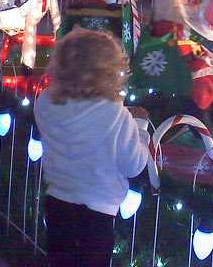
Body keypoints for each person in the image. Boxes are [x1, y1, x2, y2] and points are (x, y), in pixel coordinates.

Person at [34, 29, 149, 267]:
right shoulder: (115, 114)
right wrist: (140, 128)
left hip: (57, 200)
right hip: (98, 210)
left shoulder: (45, 101)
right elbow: (134, 165)